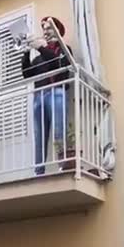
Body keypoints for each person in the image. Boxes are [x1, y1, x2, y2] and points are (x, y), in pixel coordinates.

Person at [21, 17, 73, 175]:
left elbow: (58, 64)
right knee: (39, 137)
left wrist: (42, 48)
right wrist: (26, 53)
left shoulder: (64, 49)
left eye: (49, 28)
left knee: (59, 130)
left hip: (56, 91)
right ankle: (39, 171)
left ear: (57, 30)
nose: (45, 32)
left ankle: (63, 165)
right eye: (43, 29)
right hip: (39, 96)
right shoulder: (38, 57)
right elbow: (27, 74)